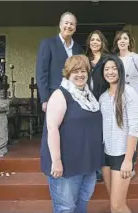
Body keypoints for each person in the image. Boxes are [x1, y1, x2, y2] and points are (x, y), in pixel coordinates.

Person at [40, 55, 103, 213]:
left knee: (82, 205)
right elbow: (52, 128)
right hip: (67, 164)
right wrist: (56, 161)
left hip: (88, 163)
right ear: (67, 73)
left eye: (83, 71)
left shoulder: (89, 97)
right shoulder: (60, 95)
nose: (80, 74)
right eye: (75, 71)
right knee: (66, 208)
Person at [99, 55, 138, 213]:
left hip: (122, 154)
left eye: (114, 68)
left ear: (120, 71)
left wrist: (128, 160)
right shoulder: (103, 97)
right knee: (113, 204)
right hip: (106, 154)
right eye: (107, 69)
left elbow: (134, 127)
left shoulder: (129, 93)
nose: (110, 72)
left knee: (118, 205)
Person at [112, 30, 138, 177]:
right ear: (116, 43)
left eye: (125, 38)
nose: (122, 41)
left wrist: (135, 94)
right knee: (119, 131)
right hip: (116, 100)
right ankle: (119, 162)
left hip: (132, 100)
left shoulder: (136, 58)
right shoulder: (114, 59)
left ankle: (131, 163)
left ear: (129, 41)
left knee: (132, 131)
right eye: (119, 39)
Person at [36, 12, 83, 113]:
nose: (69, 26)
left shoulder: (78, 49)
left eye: (72, 24)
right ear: (60, 25)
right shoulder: (48, 44)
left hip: (75, 97)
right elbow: (41, 73)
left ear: (75, 27)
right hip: (54, 95)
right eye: (66, 23)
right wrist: (44, 99)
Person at [84, 30, 109, 182]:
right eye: (92, 39)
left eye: (98, 40)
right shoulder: (85, 60)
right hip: (87, 103)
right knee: (90, 136)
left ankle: (102, 169)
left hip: (104, 102)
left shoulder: (108, 59)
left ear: (102, 43)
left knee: (103, 136)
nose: (95, 42)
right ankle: (92, 168)